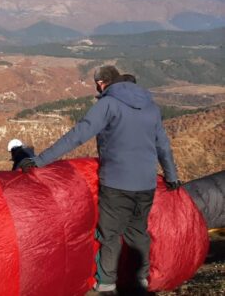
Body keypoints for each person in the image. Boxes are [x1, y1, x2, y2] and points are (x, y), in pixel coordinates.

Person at [16, 66, 181, 293]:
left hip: (117, 183)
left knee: (110, 235)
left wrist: (40, 160)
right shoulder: (151, 107)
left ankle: (106, 285)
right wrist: (172, 176)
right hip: (146, 183)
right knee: (138, 232)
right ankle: (140, 281)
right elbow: (163, 145)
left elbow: (78, 135)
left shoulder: (108, 104)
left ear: (102, 83)